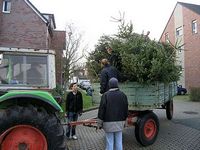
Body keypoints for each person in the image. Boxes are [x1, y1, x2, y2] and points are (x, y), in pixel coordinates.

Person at [97, 77, 128, 150]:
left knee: (109, 142)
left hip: (108, 123)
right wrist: (125, 122)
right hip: (120, 123)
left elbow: (101, 110)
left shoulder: (105, 95)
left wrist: (99, 123)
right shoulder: (123, 95)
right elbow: (126, 109)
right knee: (119, 142)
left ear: (109, 85)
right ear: (117, 85)